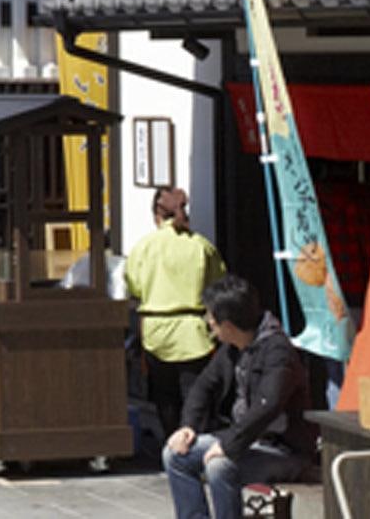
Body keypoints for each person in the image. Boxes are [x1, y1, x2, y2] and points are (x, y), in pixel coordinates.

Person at [165, 275, 316, 519]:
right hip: (246, 440)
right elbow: (203, 386)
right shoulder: (233, 348)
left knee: (219, 466)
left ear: (228, 325)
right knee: (175, 455)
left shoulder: (277, 351)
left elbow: (268, 406)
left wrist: (228, 445)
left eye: (211, 319)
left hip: (283, 450)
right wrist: (188, 427)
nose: (208, 323)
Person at [127, 186, 228, 442]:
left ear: (156, 216)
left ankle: (172, 445)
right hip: (193, 330)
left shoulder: (143, 247)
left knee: (165, 396)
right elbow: (219, 286)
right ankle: (196, 444)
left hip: (156, 331)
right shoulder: (202, 246)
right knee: (197, 394)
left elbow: (134, 286)